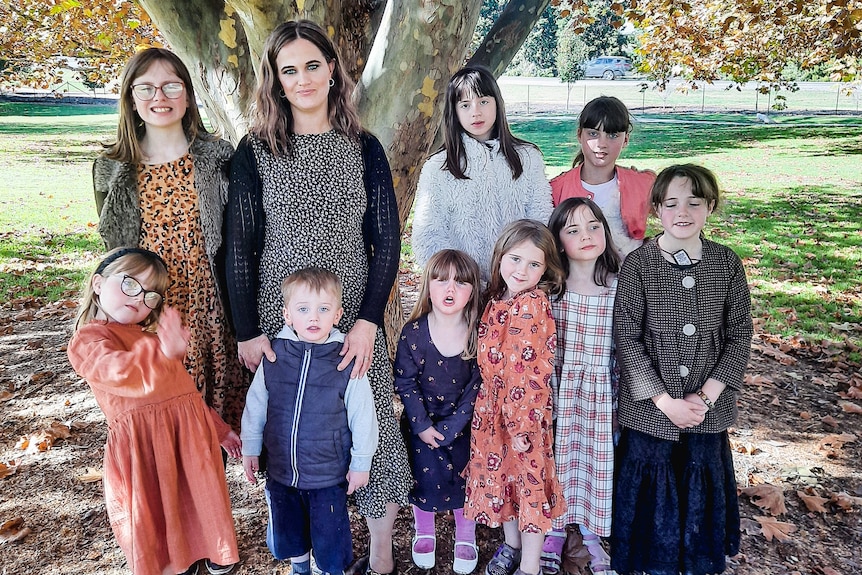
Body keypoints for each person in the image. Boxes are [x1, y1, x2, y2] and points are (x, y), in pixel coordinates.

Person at [225, 20, 411, 575]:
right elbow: (239, 249)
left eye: (313, 65)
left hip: (353, 312)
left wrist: (368, 320)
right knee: (288, 425)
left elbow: (387, 239)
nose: (303, 79)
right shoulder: (255, 151)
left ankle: (379, 552)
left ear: (333, 70)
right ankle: (300, 553)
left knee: (368, 416)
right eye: (289, 70)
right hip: (281, 318)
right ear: (275, 82)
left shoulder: (364, 147)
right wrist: (248, 331)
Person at [92, 48, 247, 430]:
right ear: (130, 98)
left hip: (212, 308)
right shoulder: (111, 167)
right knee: (163, 420)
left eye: (170, 86)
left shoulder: (217, 156)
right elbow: (115, 252)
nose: (159, 98)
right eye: (145, 89)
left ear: (188, 95)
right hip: (151, 313)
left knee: (219, 426)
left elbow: (237, 238)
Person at [611, 164, 753, 575]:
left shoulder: (726, 264)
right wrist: (664, 401)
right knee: (652, 488)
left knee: (697, 483)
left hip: (707, 412)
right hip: (650, 411)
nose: (683, 212)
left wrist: (706, 396)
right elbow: (627, 337)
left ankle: (696, 560)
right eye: (671, 203)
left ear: (710, 206)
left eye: (694, 202)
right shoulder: (639, 264)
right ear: (656, 208)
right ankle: (649, 563)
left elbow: (739, 334)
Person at [67, 247, 240, 575]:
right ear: (98, 284)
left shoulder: (151, 338)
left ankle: (212, 549)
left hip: (187, 437)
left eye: (150, 295)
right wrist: (161, 349)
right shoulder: (88, 341)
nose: (140, 298)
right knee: (160, 507)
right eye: (131, 284)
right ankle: (175, 561)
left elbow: (185, 396)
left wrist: (219, 430)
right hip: (144, 445)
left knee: (199, 496)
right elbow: (120, 372)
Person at [240, 268, 378, 575]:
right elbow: (256, 405)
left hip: (327, 474)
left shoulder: (344, 358)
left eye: (323, 309)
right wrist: (251, 447)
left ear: (338, 314)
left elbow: (363, 414)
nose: (313, 318)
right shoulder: (275, 355)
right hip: (281, 470)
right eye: (303, 310)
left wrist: (361, 462)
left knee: (329, 536)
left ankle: (326, 570)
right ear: (288, 315)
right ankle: (300, 567)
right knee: (289, 529)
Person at [463, 220, 566, 575]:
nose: (522, 270)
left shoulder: (531, 304)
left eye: (534, 264)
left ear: (546, 269)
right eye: (516, 259)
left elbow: (531, 371)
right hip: (491, 410)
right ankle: (511, 545)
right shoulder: (495, 300)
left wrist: (522, 425)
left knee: (529, 485)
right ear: (501, 256)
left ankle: (531, 565)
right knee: (502, 482)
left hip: (523, 413)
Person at [411, 65, 553, 282]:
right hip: (463, 292)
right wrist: (462, 283)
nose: (476, 112)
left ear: (497, 103)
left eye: (483, 102)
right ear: (454, 111)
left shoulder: (528, 158)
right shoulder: (438, 167)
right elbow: (428, 238)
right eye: (465, 105)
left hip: (518, 288)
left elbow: (540, 221)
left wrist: (520, 278)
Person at [542, 198, 622, 575]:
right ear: (558, 242)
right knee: (556, 462)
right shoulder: (550, 294)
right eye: (572, 230)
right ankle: (555, 528)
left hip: (601, 396)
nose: (587, 236)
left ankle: (591, 532)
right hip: (559, 393)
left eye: (593, 226)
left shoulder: (619, 290)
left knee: (595, 463)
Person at [393, 250, 483, 574]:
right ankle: (425, 528)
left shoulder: (477, 332)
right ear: (427, 284)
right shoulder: (414, 332)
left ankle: (466, 533)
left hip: (465, 424)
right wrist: (421, 425)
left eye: (460, 282)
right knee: (424, 476)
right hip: (422, 422)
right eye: (441, 279)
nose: (450, 288)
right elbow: (404, 381)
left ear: (473, 289)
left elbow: (478, 384)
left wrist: (454, 426)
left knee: (465, 478)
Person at [549, 96, 655, 258]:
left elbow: (676, 215)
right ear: (580, 135)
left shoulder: (644, 184)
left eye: (612, 135)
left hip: (630, 278)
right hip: (575, 279)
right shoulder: (557, 189)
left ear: (625, 139)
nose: (601, 143)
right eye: (593, 133)